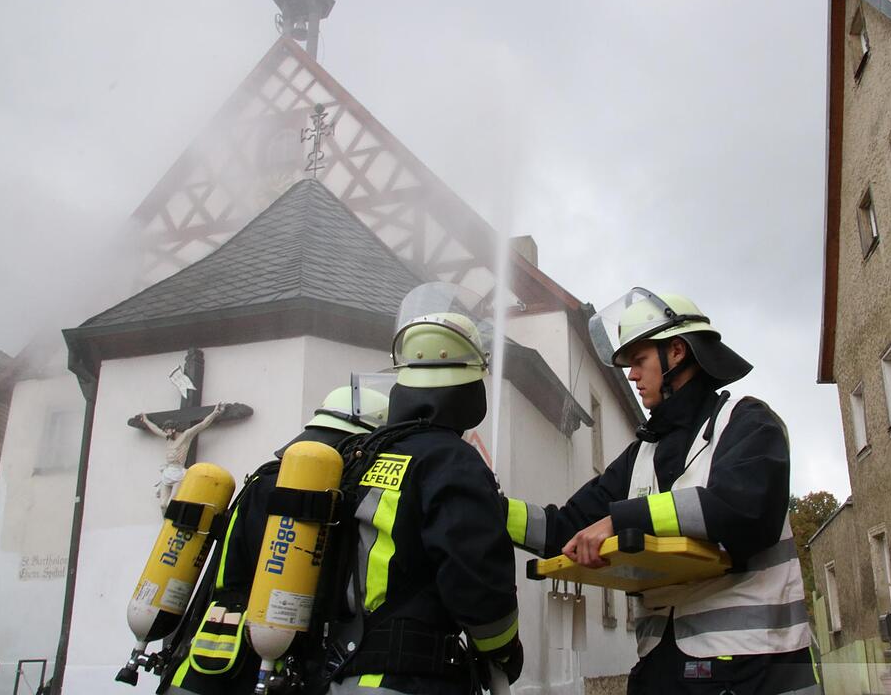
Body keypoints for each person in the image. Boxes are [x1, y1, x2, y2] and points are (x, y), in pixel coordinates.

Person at [505, 288, 817, 695]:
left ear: (676, 352)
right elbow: (564, 526)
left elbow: (741, 510)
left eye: (638, 360)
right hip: (662, 667)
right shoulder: (640, 455)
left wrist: (621, 519)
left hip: (755, 667)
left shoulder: (746, 422)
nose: (631, 375)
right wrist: (486, 510)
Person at [322, 282, 522, 695]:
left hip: (342, 675)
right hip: (415, 678)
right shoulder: (451, 461)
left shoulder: (363, 455)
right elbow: (477, 577)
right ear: (468, 390)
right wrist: (504, 648)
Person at [156, 379, 390, 695]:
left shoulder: (260, 480)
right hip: (287, 667)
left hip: (207, 659)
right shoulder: (341, 495)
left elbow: (223, 570)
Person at [139, 402, 226, 511]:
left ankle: (173, 521)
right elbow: (155, 429)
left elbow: (202, 424)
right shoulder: (168, 437)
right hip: (167, 472)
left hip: (179, 473)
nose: (166, 432)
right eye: (165, 430)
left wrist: (215, 413)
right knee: (163, 505)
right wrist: (146, 420)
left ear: (174, 429)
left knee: (173, 502)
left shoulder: (186, 436)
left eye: (168, 430)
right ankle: (166, 524)